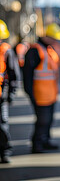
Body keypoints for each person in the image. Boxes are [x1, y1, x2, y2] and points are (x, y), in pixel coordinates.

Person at [23, 23, 60, 153]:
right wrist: (30, 93)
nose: (56, 41)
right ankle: (37, 144)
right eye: (54, 38)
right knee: (42, 121)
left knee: (48, 120)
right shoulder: (35, 50)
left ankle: (45, 141)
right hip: (39, 94)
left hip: (50, 94)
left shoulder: (48, 50)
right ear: (47, 37)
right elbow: (27, 75)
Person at [0, 19, 20, 163]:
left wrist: (11, 93)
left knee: (2, 125)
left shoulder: (6, 51)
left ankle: (5, 151)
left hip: (1, 96)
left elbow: (13, 74)